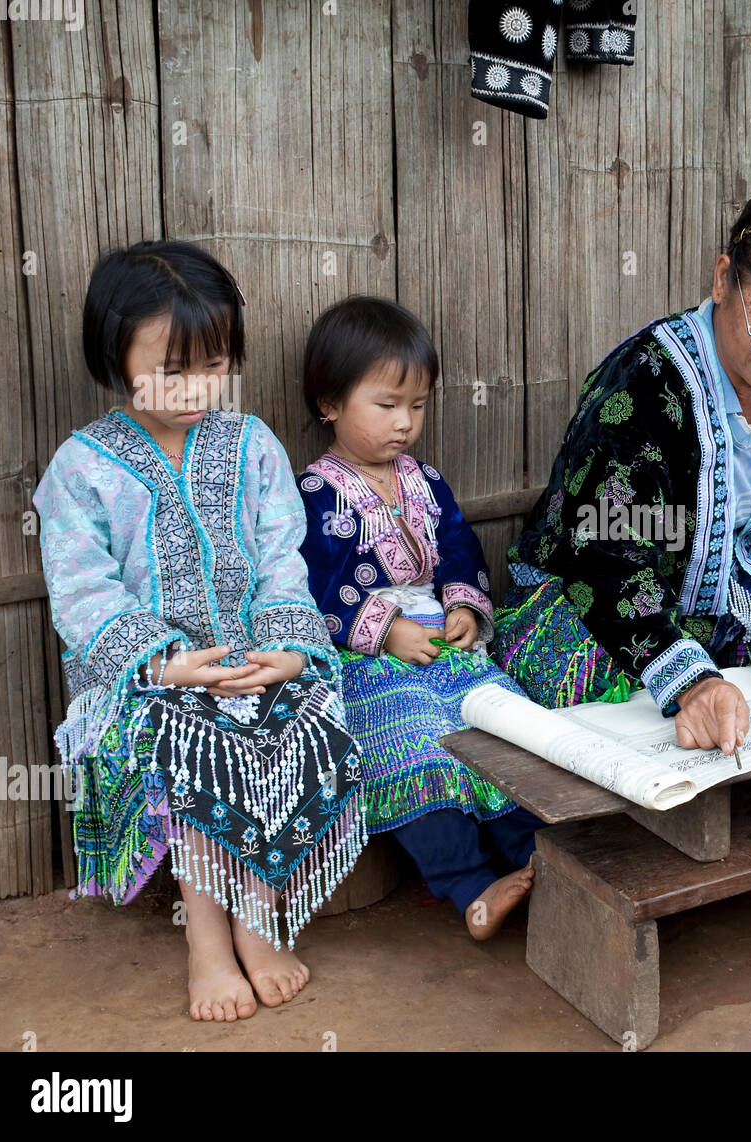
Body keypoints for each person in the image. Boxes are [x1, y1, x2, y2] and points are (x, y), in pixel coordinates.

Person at [34, 241, 364, 1022]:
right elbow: (81, 593)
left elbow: (284, 559)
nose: (196, 389)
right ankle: (208, 941)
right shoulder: (81, 469)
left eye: (212, 365)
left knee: (305, 712)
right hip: (147, 683)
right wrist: (167, 665)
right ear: (112, 356)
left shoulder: (251, 444)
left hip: (254, 659)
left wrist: (287, 651)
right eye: (171, 369)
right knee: (190, 736)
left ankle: (257, 921)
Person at [492, 176, 751, 749]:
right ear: (724, 280)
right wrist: (690, 681)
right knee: (599, 691)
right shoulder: (646, 382)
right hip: (617, 593)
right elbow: (607, 549)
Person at [296, 296, 540, 940]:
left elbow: (458, 547)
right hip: (367, 662)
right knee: (416, 738)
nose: (405, 422)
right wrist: (384, 631)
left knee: (504, 726)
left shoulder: (426, 481)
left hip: (447, 644)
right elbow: (310, 587)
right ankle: (469, 887)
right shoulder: (311, 495)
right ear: (330, 403)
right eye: (386, 404)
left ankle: (540, 858)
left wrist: (463, 605)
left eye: (418, 405)